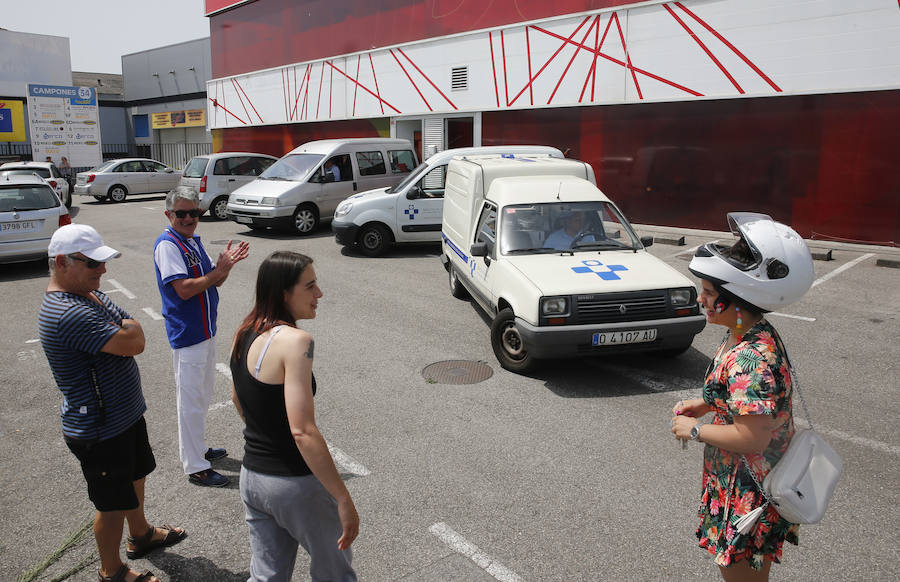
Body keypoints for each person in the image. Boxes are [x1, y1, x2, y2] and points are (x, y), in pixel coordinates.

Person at [671, 212, 815, 581]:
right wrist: (705, 403)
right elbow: (742, 399)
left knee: (739, 575)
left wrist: (694, 429)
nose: (702, 298)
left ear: (734, 298)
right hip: (737, 479)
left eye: (709, 292)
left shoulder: (752, 358)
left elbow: (752, 436)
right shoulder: (743, 331)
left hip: (751, 488)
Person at [39, 224, 186, 582]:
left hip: (123, 416)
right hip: (100, 429)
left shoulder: (88, 294)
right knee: (111, 504)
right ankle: (112, 571)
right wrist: (127, 328)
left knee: (135, 477)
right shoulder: (68, 311)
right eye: (92, 264)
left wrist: (127, 327)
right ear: (61, 263)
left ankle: (141, 535)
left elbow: (131, 326)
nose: (102, 270)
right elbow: (134, 341)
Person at [230, 251, 359, 581]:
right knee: (335, 575)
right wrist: (342, 498)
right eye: (311, 286)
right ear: (284, 292)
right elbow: (302, 431)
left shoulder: (245, 332)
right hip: (294, 485)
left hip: (253, 478)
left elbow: (238, 399)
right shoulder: (298, 342)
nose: (320, 294)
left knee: (266, 576)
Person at [153, 186, 250, 487]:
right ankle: (195, 465)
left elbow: (214, 281)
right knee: (190, 400)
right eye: (180, 213)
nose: (187, 218)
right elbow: (183, 288)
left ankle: (199, 448)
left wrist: (226, 267)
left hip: (205, 331)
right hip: (188, 334)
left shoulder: (192, 241)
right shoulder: (168, 245)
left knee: (202, 395)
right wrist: (216, 272)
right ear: (169, 214)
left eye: (193, 212)